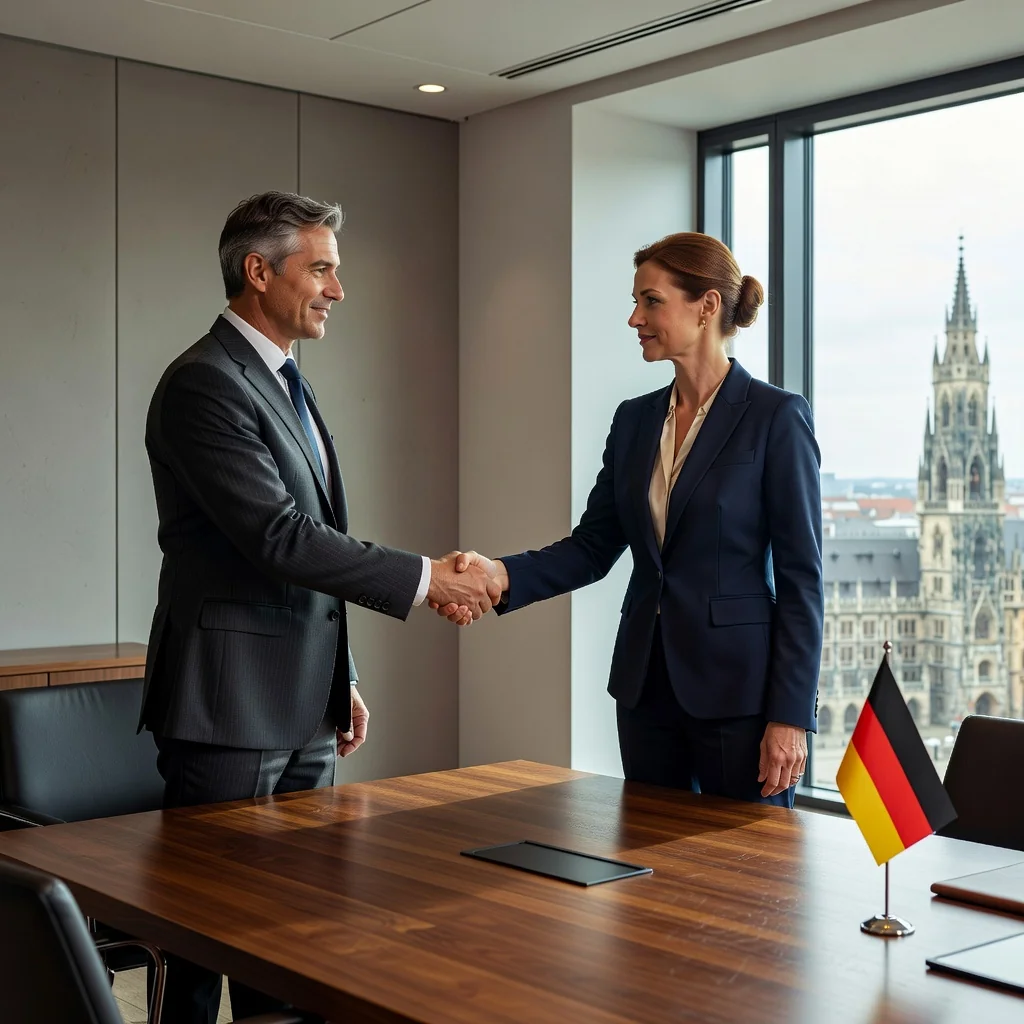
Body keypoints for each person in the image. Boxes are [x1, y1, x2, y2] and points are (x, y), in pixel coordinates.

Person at [141, 190, 498, 1023]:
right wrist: (425, 578)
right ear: (258, 272)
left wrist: (343, 675)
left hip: (303, 703)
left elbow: (308, 544)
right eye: (324, 269)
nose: (338, 290)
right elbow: (278, 537)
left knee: (288, 933)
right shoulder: (204, 383)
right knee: (200, 934)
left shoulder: (282, 380)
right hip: (228, 707)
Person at [438, 232, 824, 807]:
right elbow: (594, 547)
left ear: (707, 306)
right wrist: (498, 574)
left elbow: (801, 581)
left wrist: (791, 717)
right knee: (648, 873)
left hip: (740, 699)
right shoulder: (635, 421)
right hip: (646, 692)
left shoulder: (776, 417)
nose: (634, 318)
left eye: (650, 301)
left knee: (746, 883)